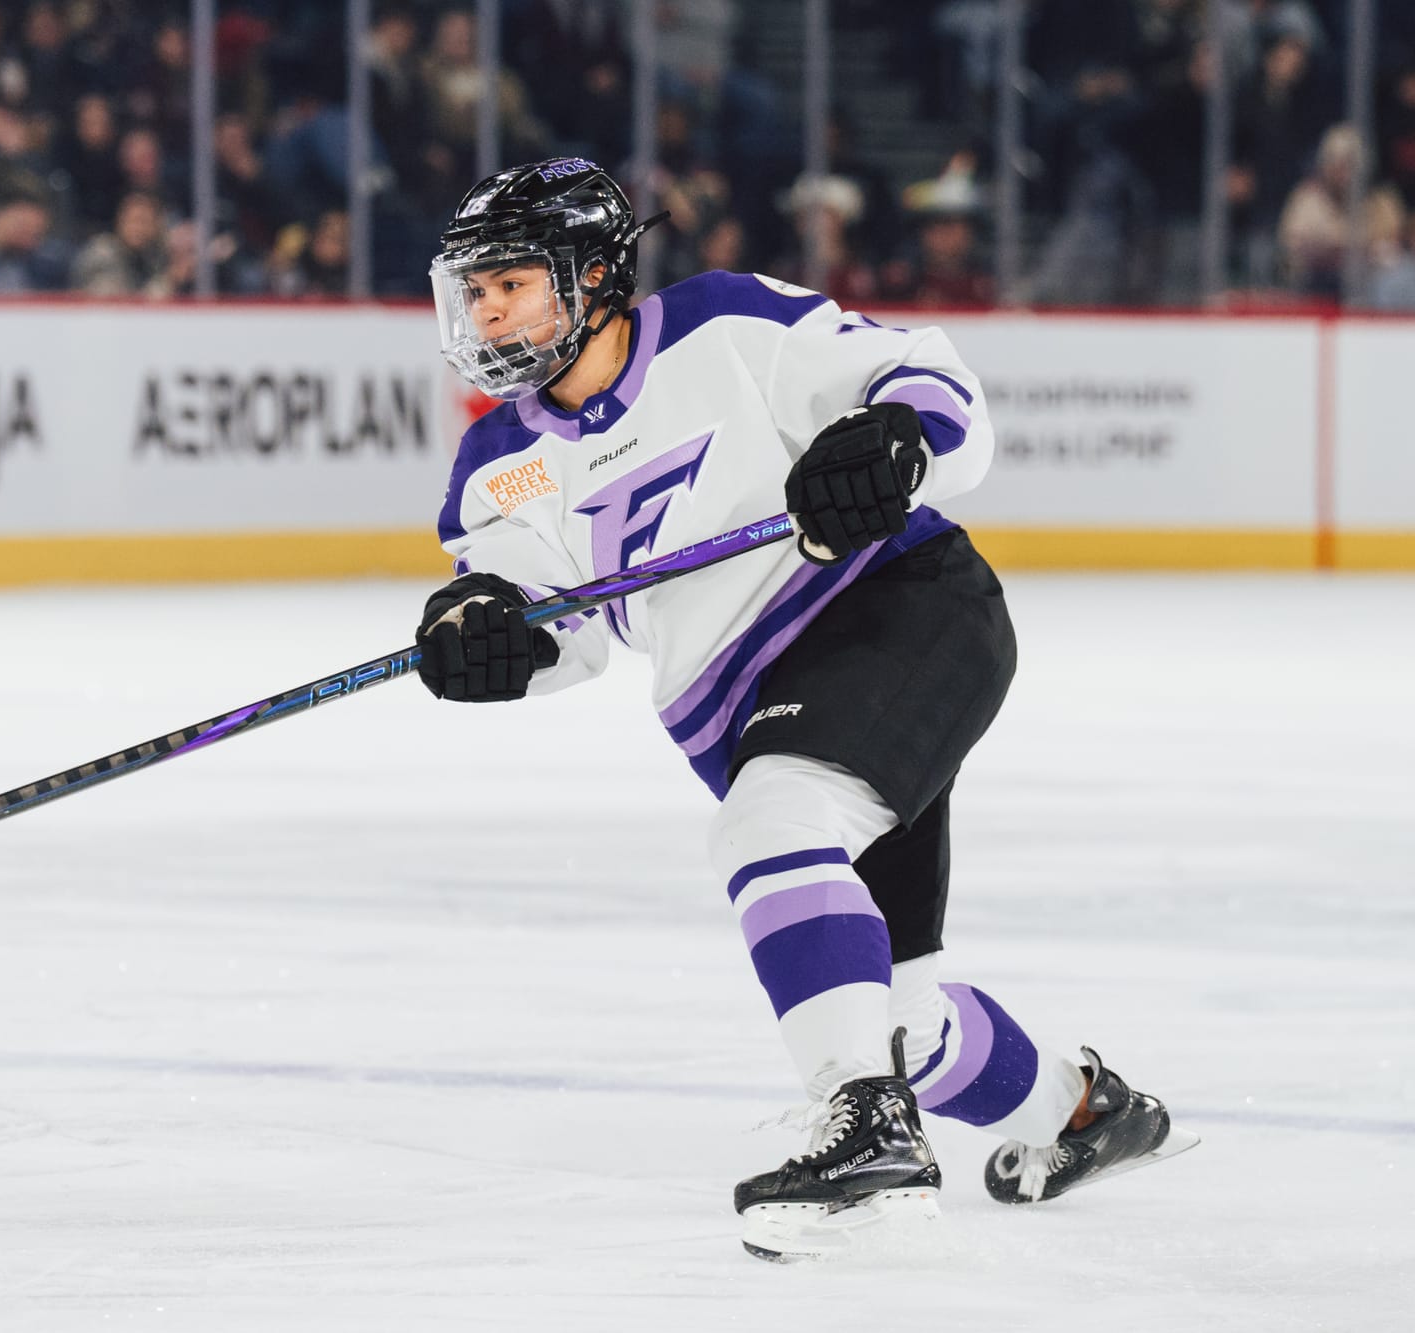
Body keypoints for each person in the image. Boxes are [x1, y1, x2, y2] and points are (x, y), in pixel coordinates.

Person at [414, 157, 1196, 1262]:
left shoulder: (722, 326)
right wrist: (482, 636)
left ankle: (867, 1131)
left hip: (894, 616)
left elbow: (932, 388)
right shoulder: (495, 463)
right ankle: (1077, 1111)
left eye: (510, 284)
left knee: (769, 824)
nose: (486, 312)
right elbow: (554, 629)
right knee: (893, 1019)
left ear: (591, 276)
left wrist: (892, 440)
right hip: (749, 712)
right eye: (473, 291)